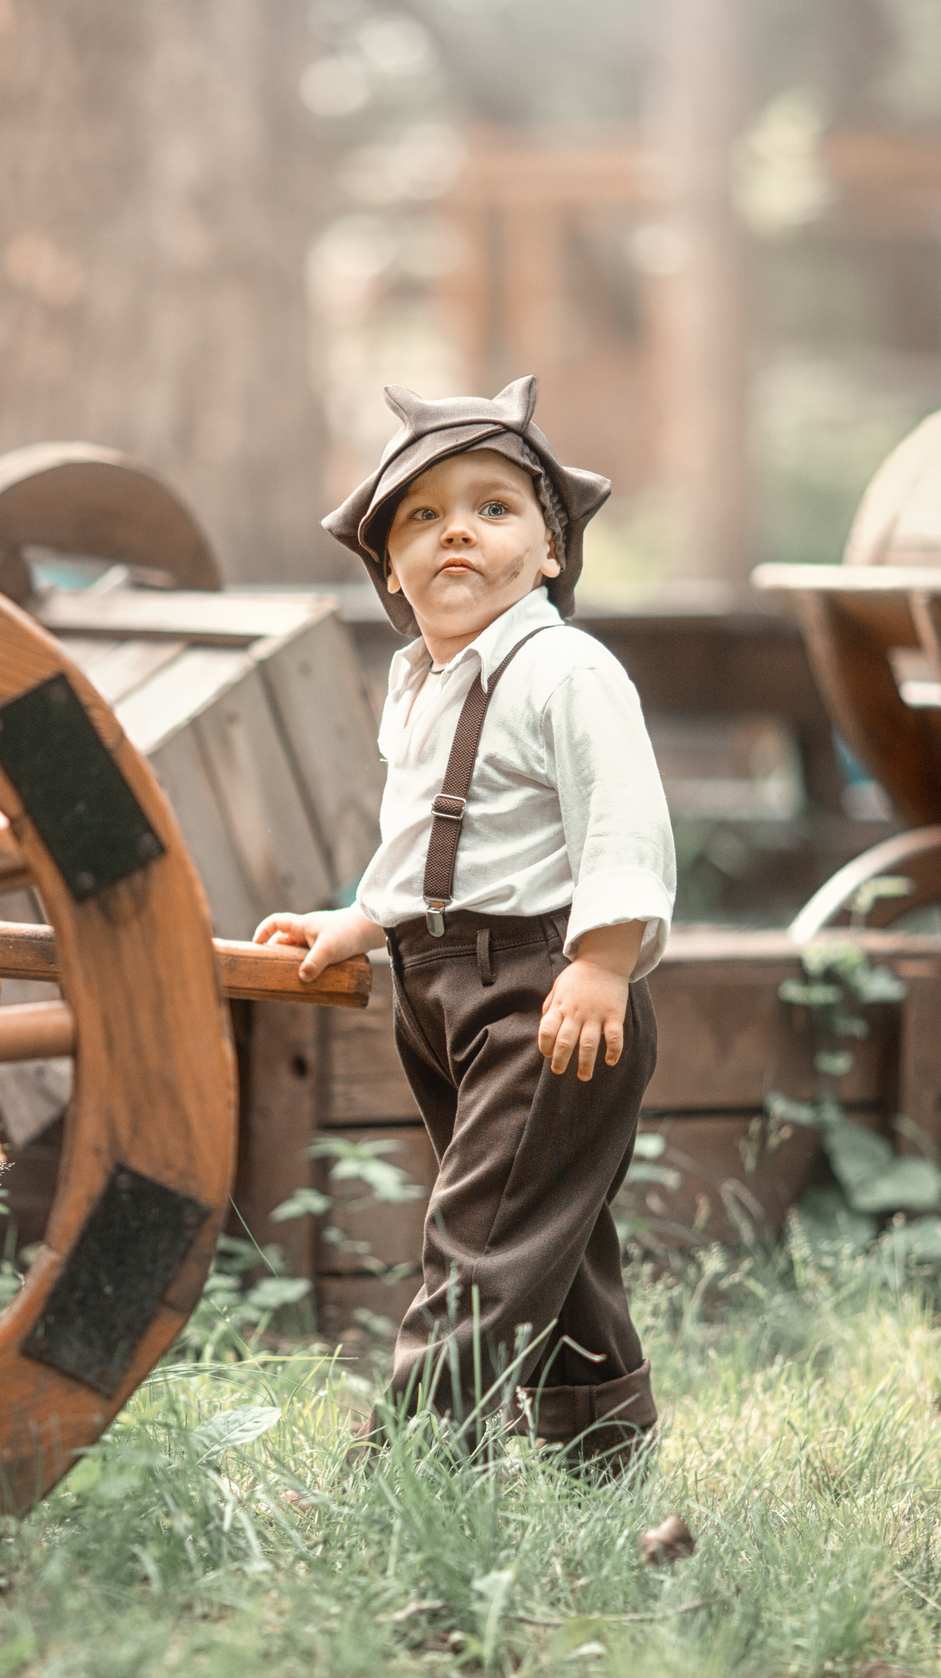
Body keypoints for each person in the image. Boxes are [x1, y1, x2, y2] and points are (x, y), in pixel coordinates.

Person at [256, 376, 675, 1471]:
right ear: (386, 568)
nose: (457, 532)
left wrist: (600, 964)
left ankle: (412, 1467)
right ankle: (604, 1452)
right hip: (442, 987)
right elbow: (432, 840)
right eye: (423, 517)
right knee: (549, 1232)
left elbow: (621, 825)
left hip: (547, 993)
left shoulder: (566, 671)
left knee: (483, 1236)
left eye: (494, 509)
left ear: (549, 551)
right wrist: (359, 921)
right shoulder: (423, 682)